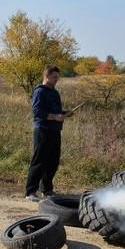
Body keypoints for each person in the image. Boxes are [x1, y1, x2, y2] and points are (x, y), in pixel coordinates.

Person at [24, 66, 74, 202]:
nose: (56, 80)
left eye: (57, 77)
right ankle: (31, 191)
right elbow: (37, 112)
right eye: (54, 77)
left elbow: (55, 111)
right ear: (46, 76)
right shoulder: (40, 91)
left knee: (53, 161)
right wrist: (56, 117)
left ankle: (47, 190)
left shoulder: (55, 92)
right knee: (39, 161)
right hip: (43, 130)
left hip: (55, 131)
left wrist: (64, 113)